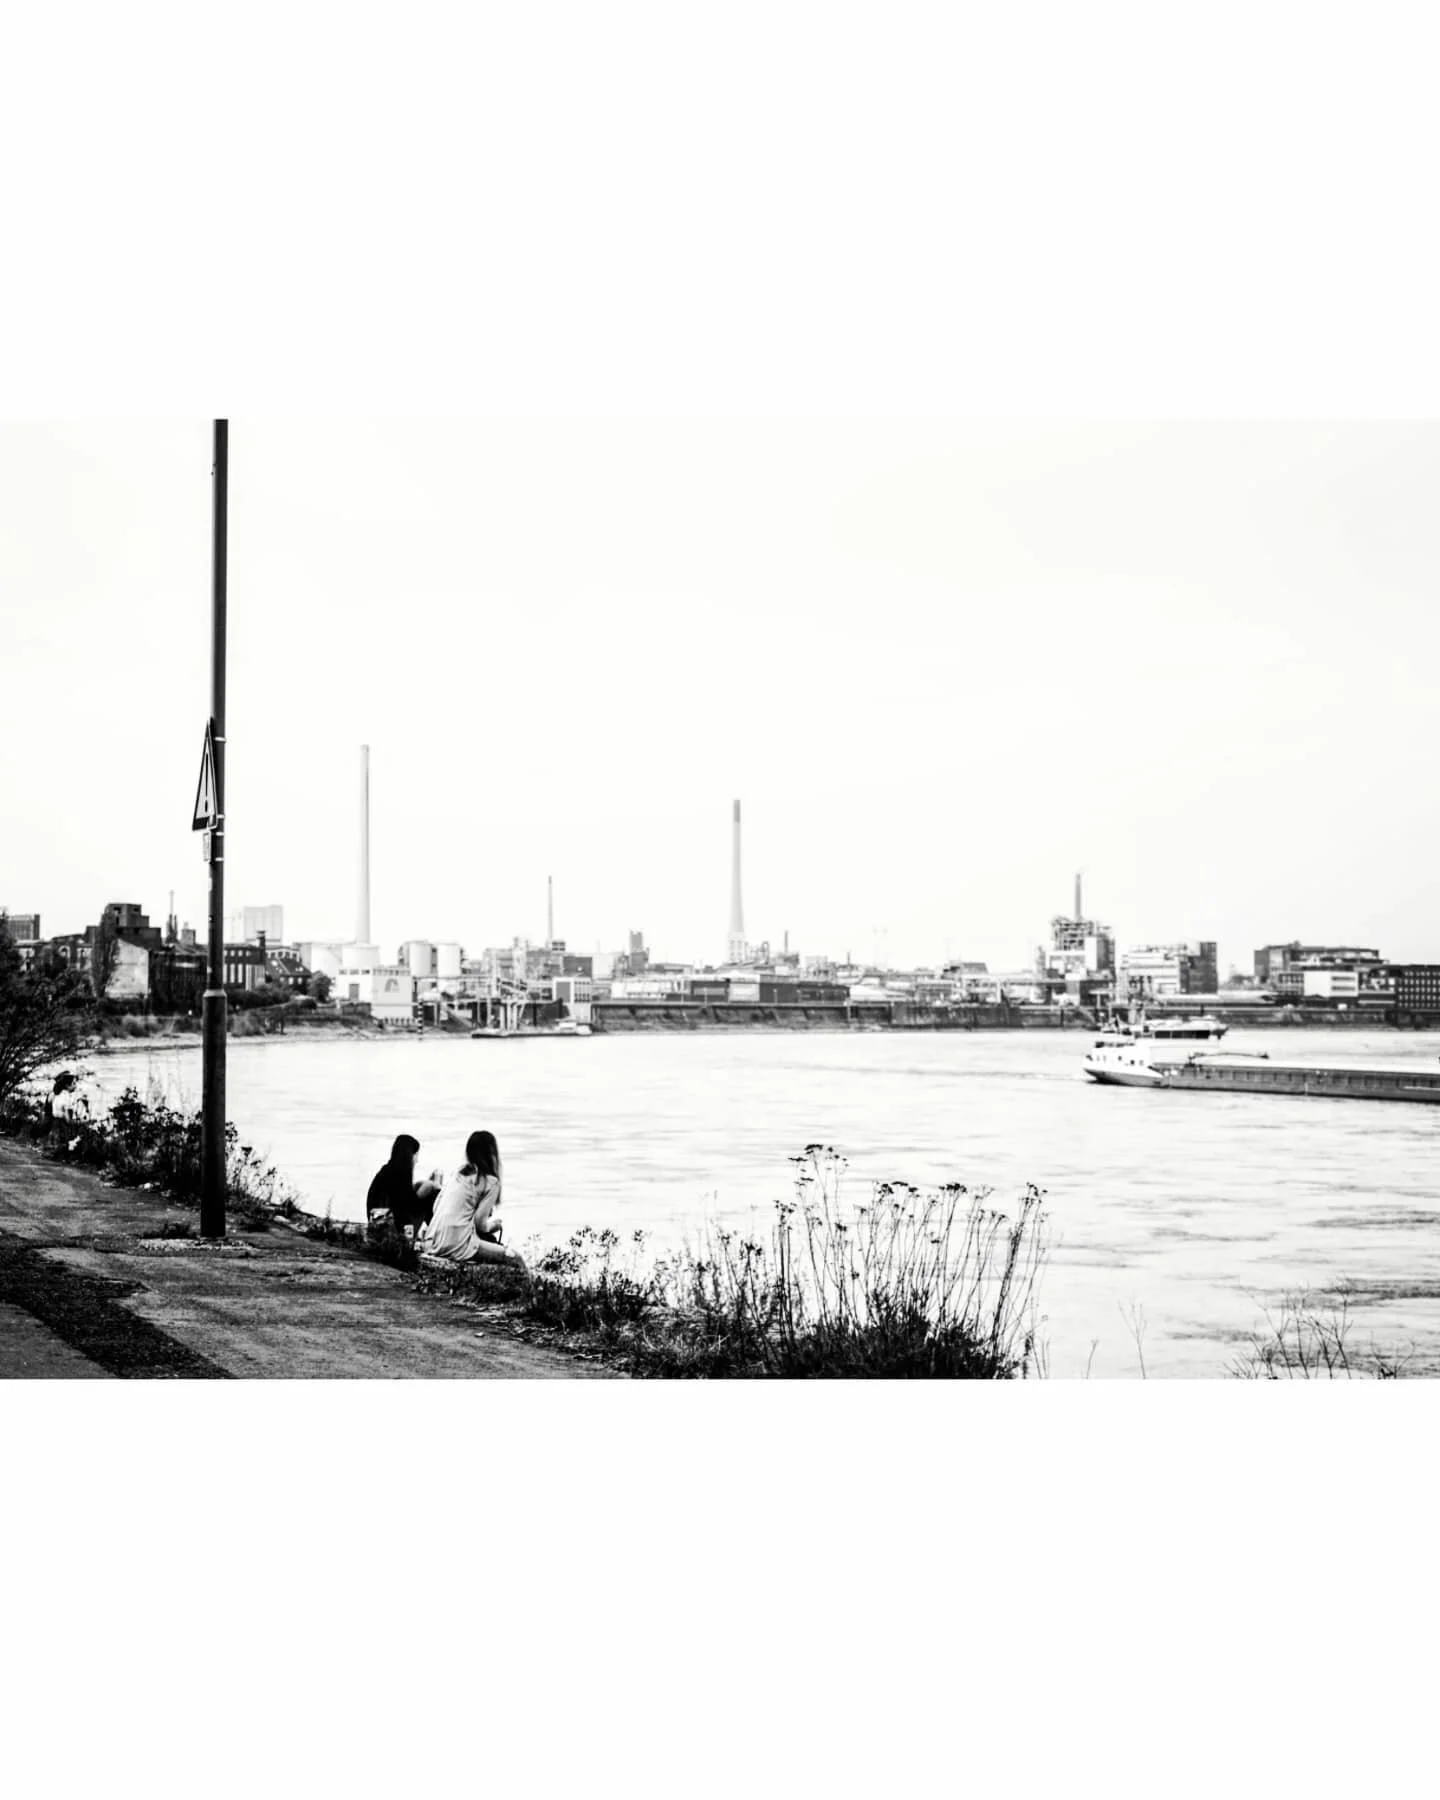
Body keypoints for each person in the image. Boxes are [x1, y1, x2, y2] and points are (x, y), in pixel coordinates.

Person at [420, 1129, 523, 1268]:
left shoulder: (457, 1174)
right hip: (460, 1244)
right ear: (492, 1154)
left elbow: (436, 1207)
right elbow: (480, 1223)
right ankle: (535, 1289)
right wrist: (494, 1225)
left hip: (434, 1240)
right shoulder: (492, 1182)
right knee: (515, 1258)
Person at [366, 1134, 440, 1243]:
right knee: (430, 1195)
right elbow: (409, 1206)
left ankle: (435, 1235)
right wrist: (432, 1185)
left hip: (378, 1224)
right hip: (389, 1230)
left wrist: (423, 1186)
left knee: (422, 1185)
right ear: (410, 1155)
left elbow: (402, 1199)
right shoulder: (400, 1174)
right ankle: (437, 1235)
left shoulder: (387, 1171)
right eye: (416, 1155)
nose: (417, 1160)